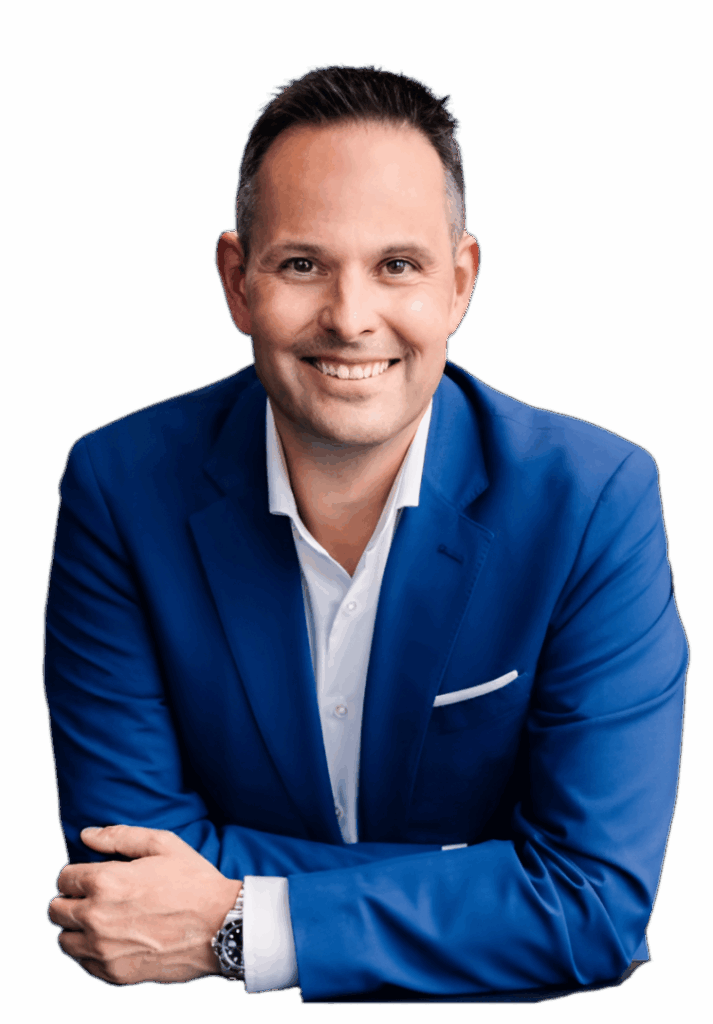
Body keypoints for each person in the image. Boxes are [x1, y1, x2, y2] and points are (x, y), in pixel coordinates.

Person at [45, 65, 687, 1003]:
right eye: (302, 265)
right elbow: (126, 875)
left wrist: (238, 924)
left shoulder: (594, 502)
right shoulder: (119, 487)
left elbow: (591, 907)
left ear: (458, 283)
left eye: (397, 266)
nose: (350, 319)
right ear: (236, 282)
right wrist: (482, 876)